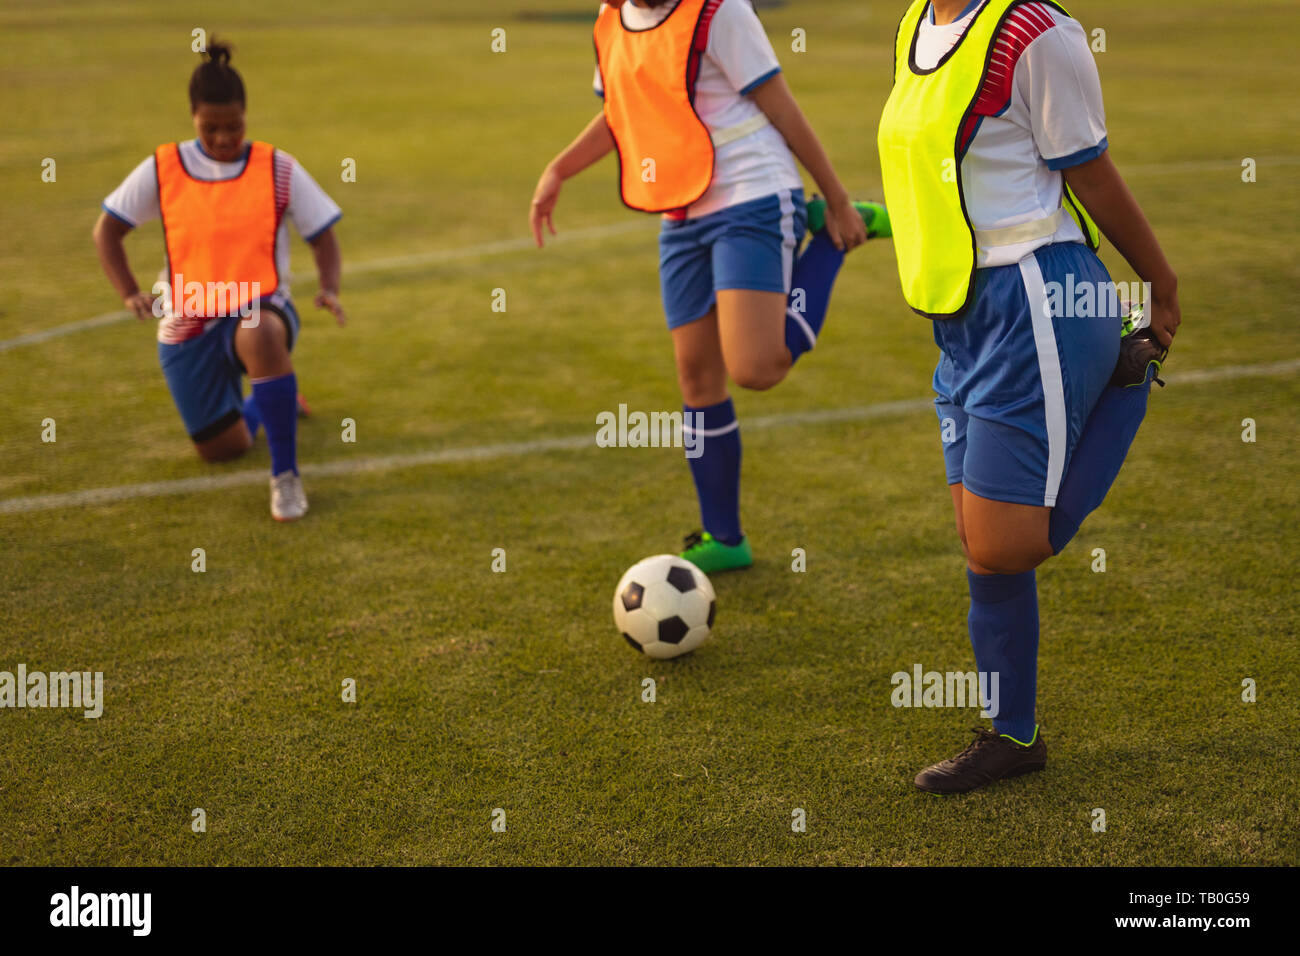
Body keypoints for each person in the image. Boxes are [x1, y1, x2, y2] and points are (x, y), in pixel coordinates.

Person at [875, 0, 1181, 792]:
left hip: (1034, 298)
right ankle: (1013, 736)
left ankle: (1127, 383)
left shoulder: (1037, 32)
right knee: (982, 544)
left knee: (1005, 545)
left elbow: (1091, 171)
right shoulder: (917, 23)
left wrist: (1159, 279)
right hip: (958, 312)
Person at [530, 0, 890, 574]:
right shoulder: (611, 21)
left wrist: (839, 198)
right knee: (697, 377)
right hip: (678, 211)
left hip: (752, 194)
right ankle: (725, 538)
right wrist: (559, 170)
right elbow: (622, 111)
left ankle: (832, 239)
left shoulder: (719, 12)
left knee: (756, 368)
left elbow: (783, 108)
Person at [93, 40, 346, 521]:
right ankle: (273, 402)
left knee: (260, 330)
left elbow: (323, 236)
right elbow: (107, 231)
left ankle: (286, 478)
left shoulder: (277, 167)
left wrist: (329, 288)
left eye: (234, 126)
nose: (225, 137)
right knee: (221, 449)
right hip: (188, 318)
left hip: (260, 304)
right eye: (211, 128)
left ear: (246, 116)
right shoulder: (164, 167)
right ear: (192, 117)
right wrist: (128, 291)